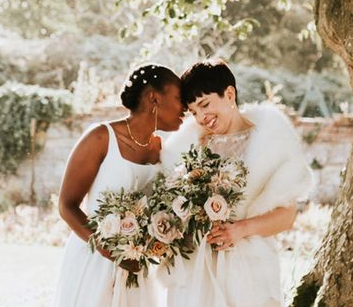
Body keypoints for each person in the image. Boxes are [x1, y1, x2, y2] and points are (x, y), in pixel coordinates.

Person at [161, 59, 313, 307]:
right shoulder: (187, 146)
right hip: (197, 272)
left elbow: (287, 215)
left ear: (229, 93)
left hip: (250, 269)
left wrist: (241, 229)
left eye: (205, 104)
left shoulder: (269, 138)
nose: (201, 117)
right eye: (194, 112)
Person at [53, 64, 186, 307]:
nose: (185, 107)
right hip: (94, 261)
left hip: (136, 269)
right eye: (179, 98)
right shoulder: (101, 138)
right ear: (153, 97)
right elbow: (66, 205)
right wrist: (111, 251)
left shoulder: (161, 149)